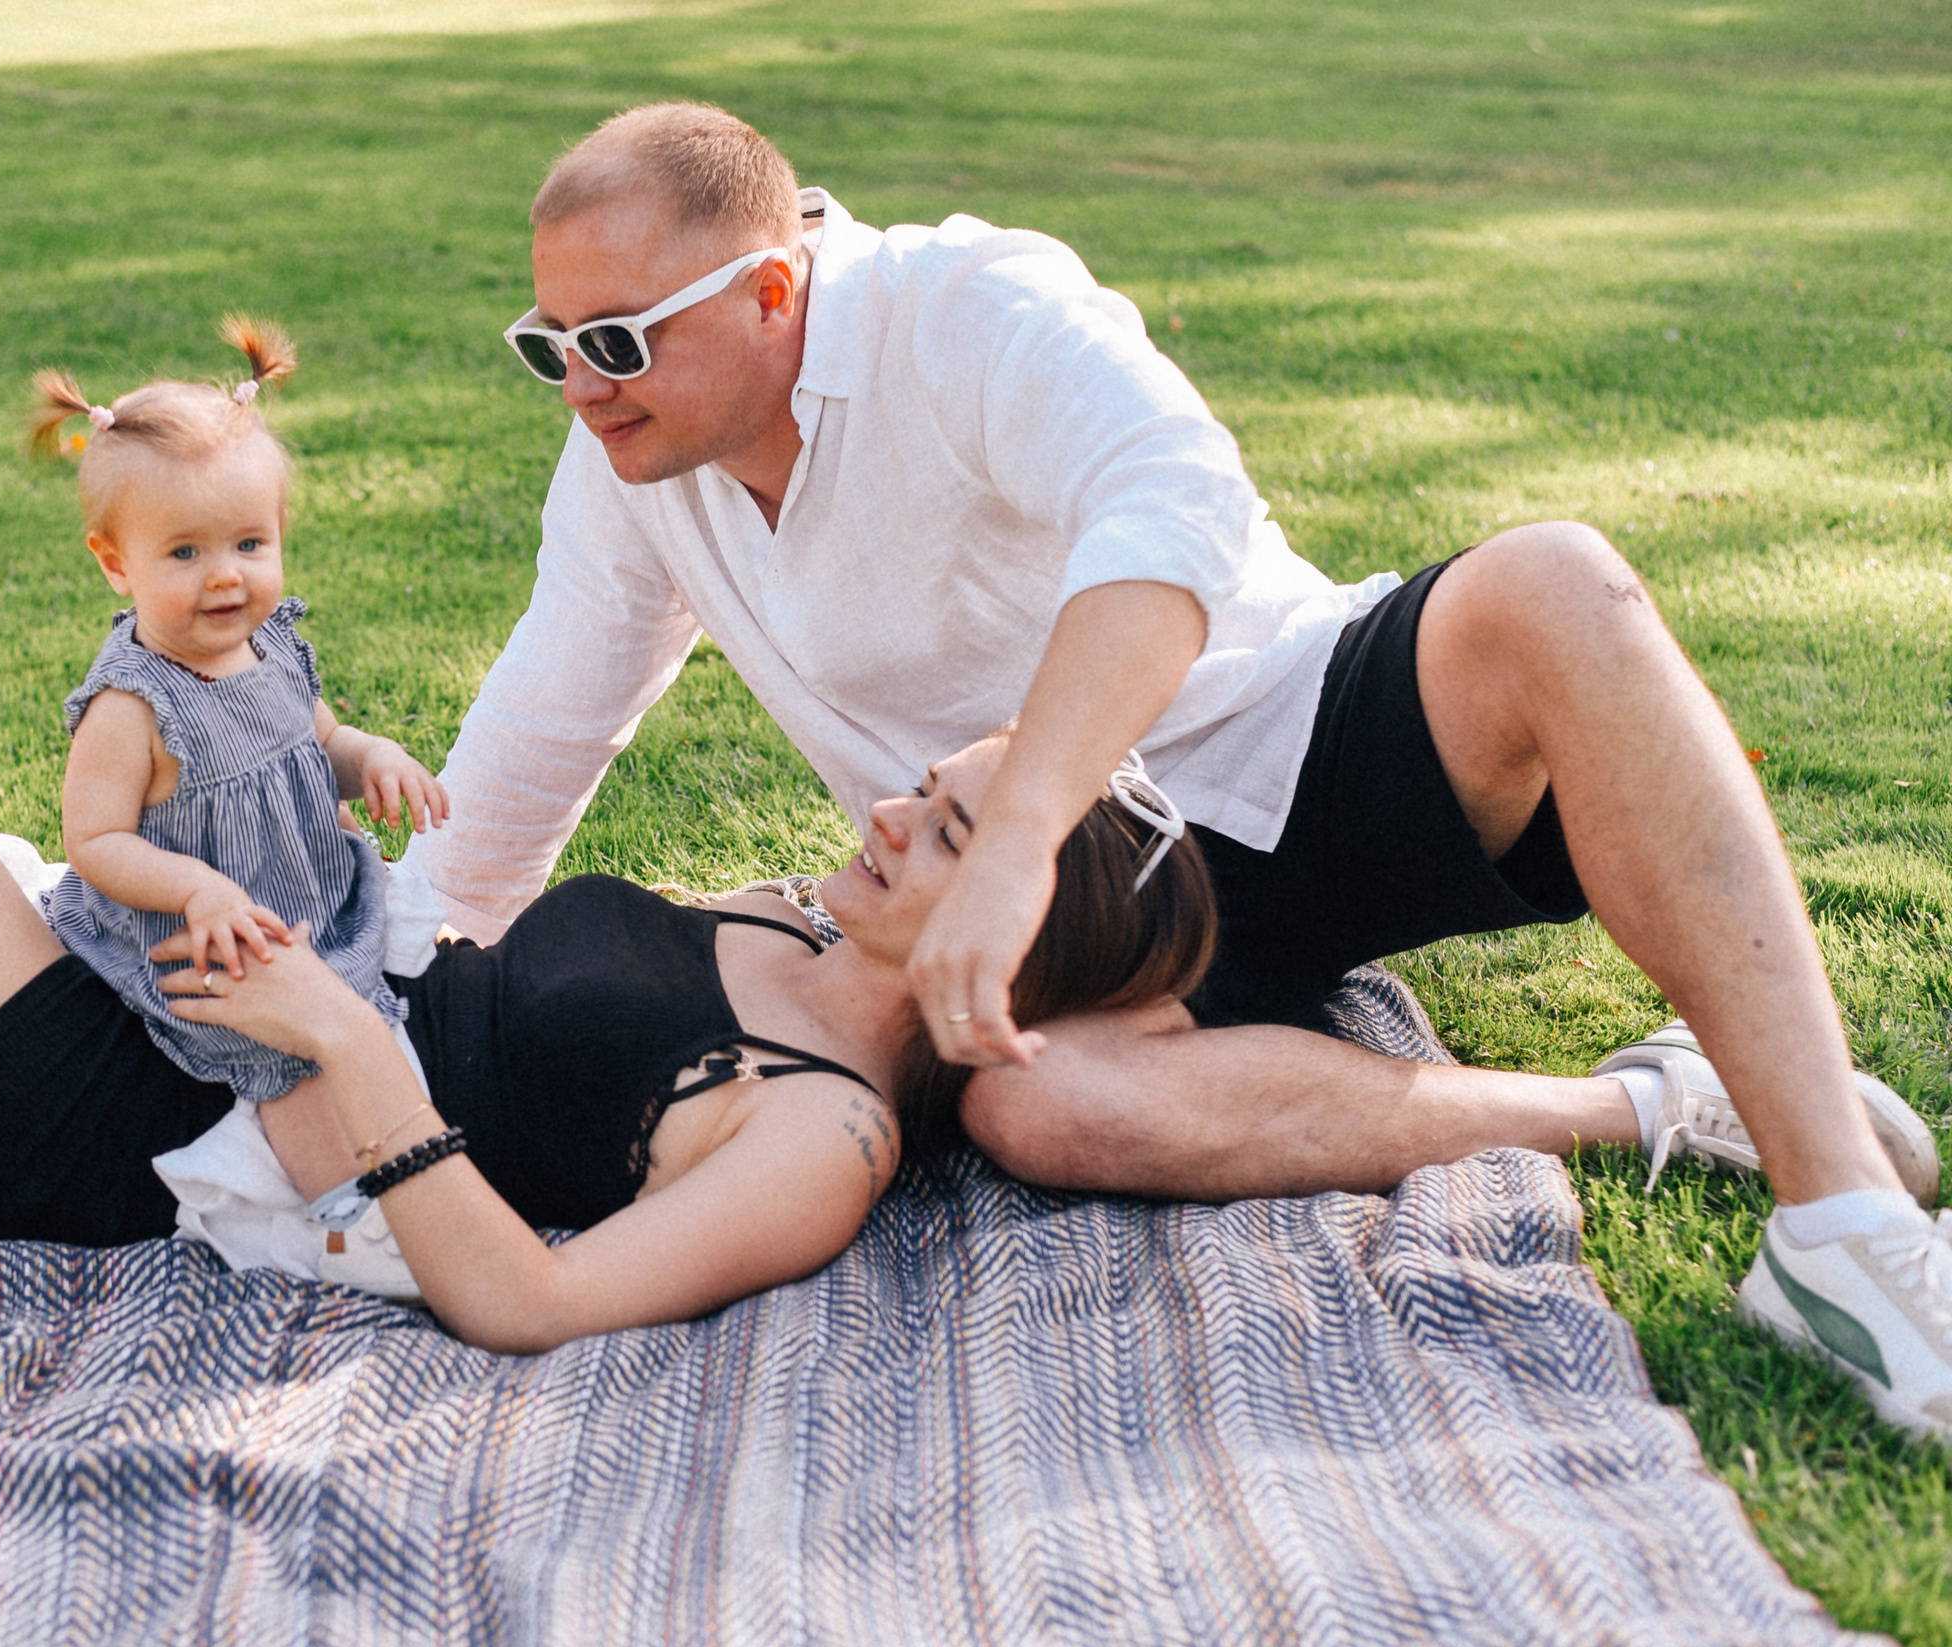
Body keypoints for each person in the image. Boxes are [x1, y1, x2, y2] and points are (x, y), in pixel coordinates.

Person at [413, 102, 1952, 1436]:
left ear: (767, 289)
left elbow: (1172, 518)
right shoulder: (633, 464)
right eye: (546, 345)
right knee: (1037, 1110)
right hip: (1083, 922)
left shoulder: (965, 303)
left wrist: (1018, 828)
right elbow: (548, 727)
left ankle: (1840, 1228)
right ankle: (1639, 1111)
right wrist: (393, 974)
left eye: (615, 341)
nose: (579, 383)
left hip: (1281, 739)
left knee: (1553, 582)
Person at [0, 602, 1211, 1352]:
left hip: (121, 1119)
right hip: (179, 991)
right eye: (942, 783)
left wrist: (347, 1035)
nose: (897, 809)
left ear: (1017, 948)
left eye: (958, 831)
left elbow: (534, 1305)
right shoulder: (791, 920)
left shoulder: (822, 1138)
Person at [26, 315, 446, 1104]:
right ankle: (321, 1201)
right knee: (284, 1072)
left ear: (280, 531)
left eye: (248, 545)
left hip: (309, 899)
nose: (225, 577)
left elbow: (322, 743)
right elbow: (95, 839)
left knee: (409, 986)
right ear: (116, 562)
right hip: (199, 945)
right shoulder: (133, 703)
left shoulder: (273, 643)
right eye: (185, 553)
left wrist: (374, 755)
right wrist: (195, 889)